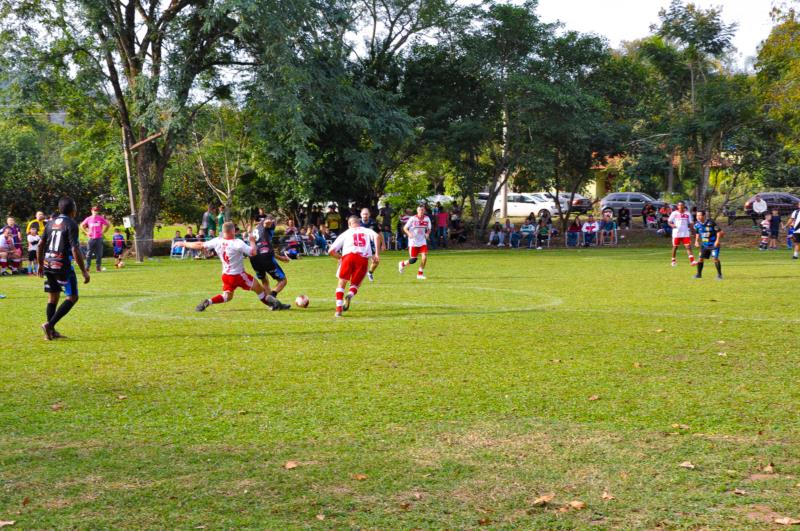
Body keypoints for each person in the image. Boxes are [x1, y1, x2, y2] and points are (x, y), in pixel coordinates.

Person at [176, 221, 278, 312]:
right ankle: (274, 305)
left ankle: (208, 301)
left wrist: (184, 243)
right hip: (238, 275)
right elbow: (253, 252)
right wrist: (252, 240)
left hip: (226, 275)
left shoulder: (217, 241)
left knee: (227, 297)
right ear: (233, 231)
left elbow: (200, 245)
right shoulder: (237, 243)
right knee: (259, 289)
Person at [38, 197, 91, 340]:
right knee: (73, 296)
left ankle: (52, 332)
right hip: (62, 265)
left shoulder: (50, 223)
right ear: (73, 210)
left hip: (48, 263)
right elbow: (75, 249)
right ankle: (50, 325)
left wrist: (40, 264)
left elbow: (40, 245)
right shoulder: (71, 224)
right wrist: (84, 271)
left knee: (53, 296)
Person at [328, 215, 380, 317]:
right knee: (356, 284)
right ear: (359, 223)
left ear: (349, 224)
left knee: (342, 282)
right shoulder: (366, 230)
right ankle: (350, 294)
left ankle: (338, 310)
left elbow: (331, 251)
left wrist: (340, 258)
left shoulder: (346, 233)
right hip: (362, 259)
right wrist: (377, 254)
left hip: (348, 257)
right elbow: (377, 236)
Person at [246, 215, 292, 311]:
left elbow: (264, 246)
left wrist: (281, 258)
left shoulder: (256, 229)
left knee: (264, 281)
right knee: (283, 280)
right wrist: (268, 222)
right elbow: (266, 223)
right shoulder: (267, 225)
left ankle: (272, 305)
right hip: (265, 256)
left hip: (254, 258)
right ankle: (271, 296)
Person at [399, 205, 432, 280]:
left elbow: (429, 228)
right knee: (413, 260)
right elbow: (405, 228)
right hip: (413, 241)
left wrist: (427, 233)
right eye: (420, 210)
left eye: (422, 210)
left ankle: (420, 274)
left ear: (424, 211)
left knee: (424, 257)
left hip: (422, 241)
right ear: (417, 211)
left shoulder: (427, 219)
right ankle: (402, 264)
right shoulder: (412, 218)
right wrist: (409, 233)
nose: (421, 211)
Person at [693, 210, 723, 280]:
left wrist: (717, 241)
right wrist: (696, 241)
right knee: (700, 259)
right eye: (697, 215)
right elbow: (697, 233)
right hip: (704, 245)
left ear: (704, 216)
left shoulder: (711, 222)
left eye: (699, 215)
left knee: (715, 258)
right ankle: (698, 274)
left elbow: (719, 232)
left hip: (713, 244)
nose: (698, 217)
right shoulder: (697, 225)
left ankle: (719, 275)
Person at [80, 206, 111, 272]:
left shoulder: (100, 218)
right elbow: (81, 225)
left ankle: (98, 268)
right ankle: (87, 267)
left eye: (96, 210)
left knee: (99, 254)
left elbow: (108, 225)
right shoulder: (88, 218)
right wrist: (86, 232)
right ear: (91, 211)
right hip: (91, 238)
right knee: (88, 254)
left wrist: (103, 232)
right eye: (94, 210)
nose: (95, 212)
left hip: (99, 238)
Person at [668, 201, 696, 267]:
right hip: (676, 233)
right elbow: (669, 221)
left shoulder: (687, 213)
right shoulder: (674, 213)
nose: (681, 206)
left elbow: (691, 223)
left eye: (682, 205)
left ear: (684, 206)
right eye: (679, 205)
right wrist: (671, 225)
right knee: (675, 247)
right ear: (677, 206)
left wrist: (693, 232)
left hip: (685, 233)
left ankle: (692, 261)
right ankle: (673, 261)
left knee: (688, 247)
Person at [359, 208, 382, 282]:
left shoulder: (373, 223)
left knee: (376, 261)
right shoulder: (357, 223)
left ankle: (370, 272)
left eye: (366, 214)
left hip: (370, 244)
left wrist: (383, 244)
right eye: (363, 214)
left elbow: (379, 233)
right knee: (359, 262)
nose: (365, 215)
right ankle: (356, 277)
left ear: (369, 215)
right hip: (360, 245)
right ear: (361, 214)